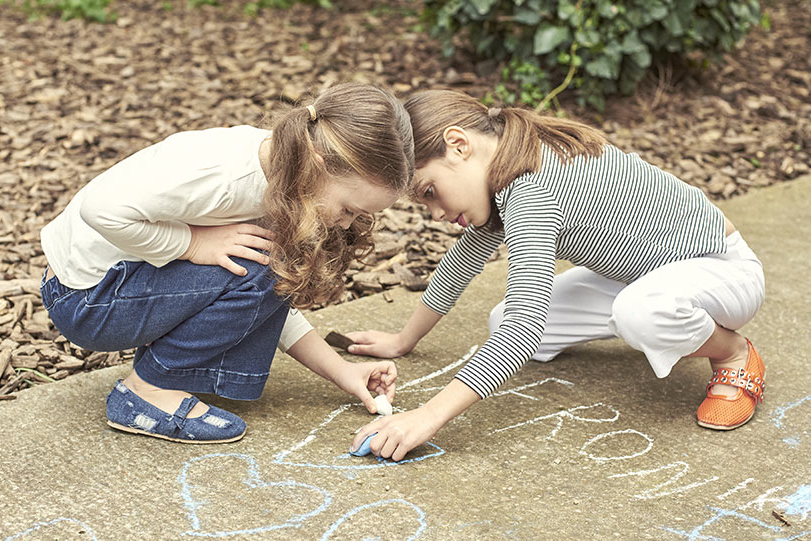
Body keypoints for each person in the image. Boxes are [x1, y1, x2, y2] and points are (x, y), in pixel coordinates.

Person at [347, 89, 765, 461]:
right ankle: (650, 323)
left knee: (640, 313)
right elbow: (462, 264)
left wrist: (427, 416)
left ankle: (731, 352)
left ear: (458, 145)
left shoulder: (531, 187)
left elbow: (524, 326)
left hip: (720, 269)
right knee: (504, 320)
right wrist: (405, 339)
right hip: (637, 280)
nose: (436, 213)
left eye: (429, 192)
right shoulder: (505, 168)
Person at [39, 83, 414, 444]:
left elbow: (261, 300)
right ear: (318, 164)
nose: (347, 223)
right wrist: (192, 243)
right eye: (349, 209)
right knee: (267, 262)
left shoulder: (284, 169)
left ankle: (162, 377)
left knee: (266, 265)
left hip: (113, 288)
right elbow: (99, 208)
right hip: (85, 300)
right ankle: (147, 390)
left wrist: (342, 371)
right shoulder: (225, 175)